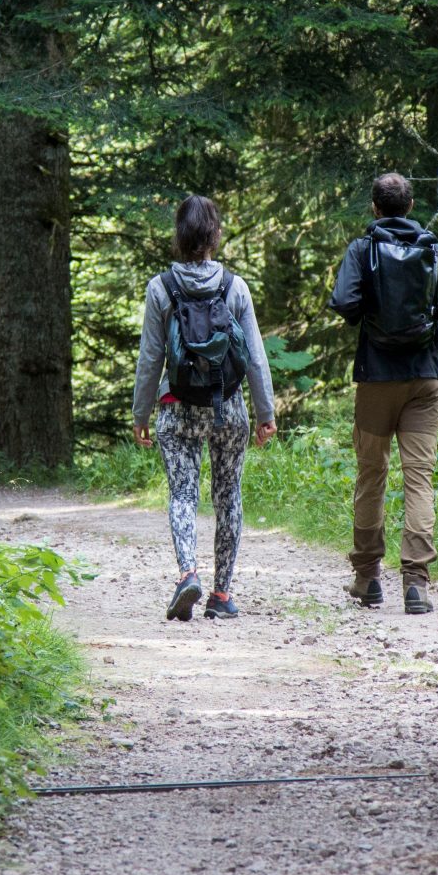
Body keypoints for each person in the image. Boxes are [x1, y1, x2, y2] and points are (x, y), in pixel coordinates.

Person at [327, 172, 438, 615]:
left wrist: (373, 315)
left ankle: (367, 578)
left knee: (371, 476)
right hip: (423, 378)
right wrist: (433, 318)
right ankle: (416, 585)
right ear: (410, 206)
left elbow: (343, 302)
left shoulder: (363, 249)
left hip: (376, 378)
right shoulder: (433, 250)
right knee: (418, 479)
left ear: (375, 208)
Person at [132, 195, 278, 622]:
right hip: (227, 409)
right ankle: (222, 594)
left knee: (182, 493)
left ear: (179, 237)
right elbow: (254, 357)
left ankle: (187, 573)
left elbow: (150, 358)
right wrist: (265, 413)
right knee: (228, 495)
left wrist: (141, 415)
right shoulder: (235, 287)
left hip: (177, 409)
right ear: (215, 236)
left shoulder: (161, 288)